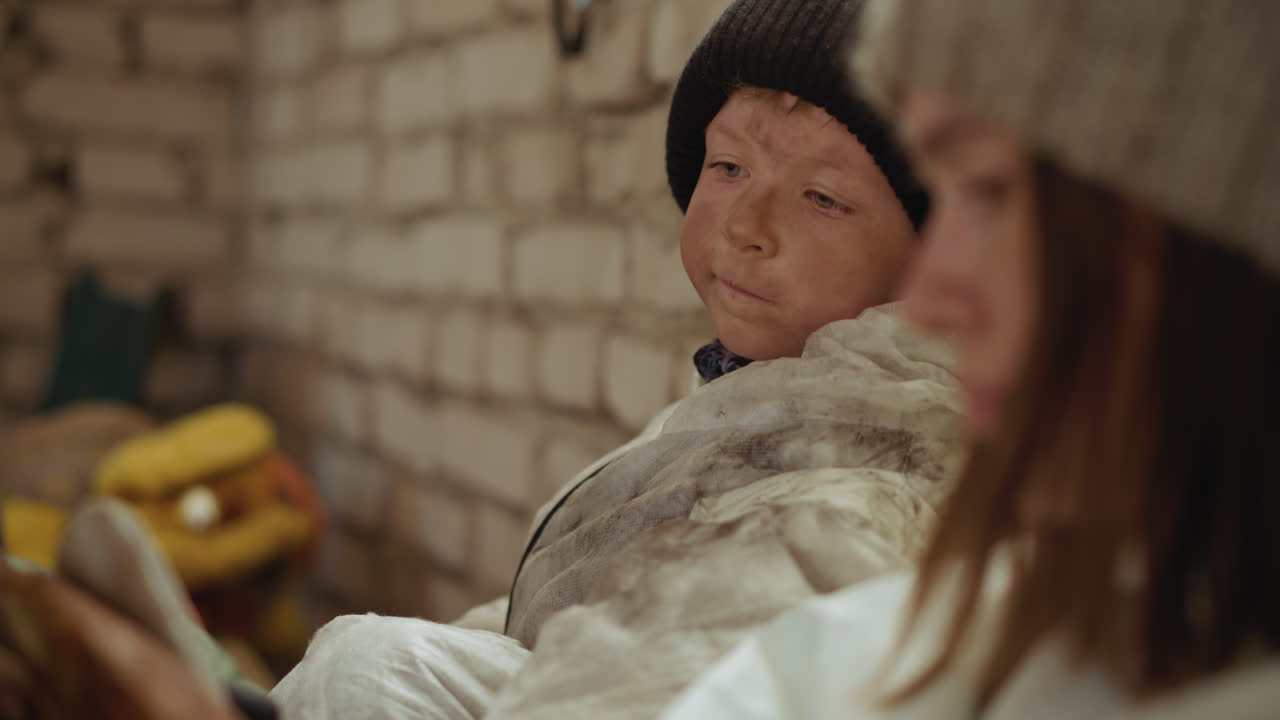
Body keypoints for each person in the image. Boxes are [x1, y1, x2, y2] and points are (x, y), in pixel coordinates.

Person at [268, 1, 962, 719]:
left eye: (823, 198)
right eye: (728, 166)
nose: (746, 225)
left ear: (941, 256)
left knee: (363, 673)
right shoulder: (752, 404)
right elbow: (548, 619)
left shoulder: (865, 491)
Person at [663, 0, 1280, 718]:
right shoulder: (1024, 622)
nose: (929, 301)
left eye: (988, 191)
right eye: (729, 166)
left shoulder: (856, 511)